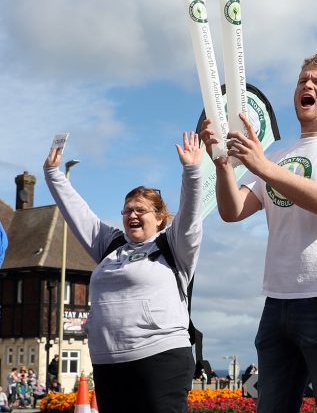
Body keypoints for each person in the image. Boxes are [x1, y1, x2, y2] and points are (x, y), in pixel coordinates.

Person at [201, 54, 317, 413]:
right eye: (301, 81)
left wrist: (264, 166)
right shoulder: (276, 154)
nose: (306, 86)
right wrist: (222, 165)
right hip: (277, 303)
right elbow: (232, 211)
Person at [43, 132, 203, 413]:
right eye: (127, 210)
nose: (132, 215)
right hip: (108, 361)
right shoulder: (111, 245)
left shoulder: (173, 245)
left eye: (140, 210)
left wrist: (191, 171)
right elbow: (78, 214)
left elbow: (190, 217)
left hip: (160, 356)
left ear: (160, 218)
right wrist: (53, 174)